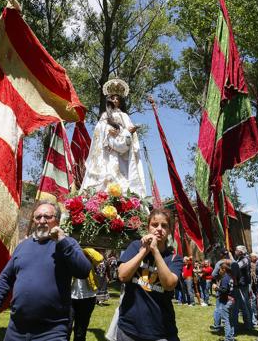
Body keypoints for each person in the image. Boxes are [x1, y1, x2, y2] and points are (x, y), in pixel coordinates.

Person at [0, 201, 91, 339]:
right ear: (33, 220)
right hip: (16, 329)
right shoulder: (22, 247)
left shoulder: (67, 243)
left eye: (47, 217)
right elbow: (5, 280)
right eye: (38, 217)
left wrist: (62, 241)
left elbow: (83, 271)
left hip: (52, 331)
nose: (42, 221)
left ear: (56, 220)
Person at [116, 208, 183, 341]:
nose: (159, 229)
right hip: (129, 329)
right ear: (148, 227)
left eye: (164, 226)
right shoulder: (136, 247)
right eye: (154, 225)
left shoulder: (175, 258)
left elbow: (169, 285)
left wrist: (155, 251)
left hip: (161, 331)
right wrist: (144, 251)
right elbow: (122, 276)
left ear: (169, 230)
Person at [79, 78, 147, 197]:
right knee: (106, 175)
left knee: (122, 181)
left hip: (121, 155)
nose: (115, 100)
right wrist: (107, 131)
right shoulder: (105, 115)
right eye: (113, 98)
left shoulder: (125, 116)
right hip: (107, 152)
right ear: (109, 100)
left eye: (118, 98)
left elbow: (130, 133)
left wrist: (126, 132)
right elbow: (99, 130)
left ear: (121, 101)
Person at [70, 248, 104, 341]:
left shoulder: (90, 259)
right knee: (66, 328)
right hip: (70, 298)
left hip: (88, 298)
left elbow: (99, 258)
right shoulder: (70, 258)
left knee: (81, 331)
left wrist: (86, 250)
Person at [233, 245, 255, 330]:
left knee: (245, 304)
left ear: (241, 252)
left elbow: (236, 267)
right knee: (245, 304)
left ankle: (249, 325)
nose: (235, 251)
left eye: (236, 250)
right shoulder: (240, 259)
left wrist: (230, 260)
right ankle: (250, 323)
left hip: (243, 285)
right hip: (241, 284)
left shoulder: (245, 259)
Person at [216, 262, 236, 341]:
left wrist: (216, 288)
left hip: (227, 301)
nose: (219, 271)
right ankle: (231, 337)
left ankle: (228, 338)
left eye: (220, 269)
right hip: (232, 300)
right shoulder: (231, 277)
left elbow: (224, 290)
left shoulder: (225, 278)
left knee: (226, 321)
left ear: (224, 269)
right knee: (231, 320)